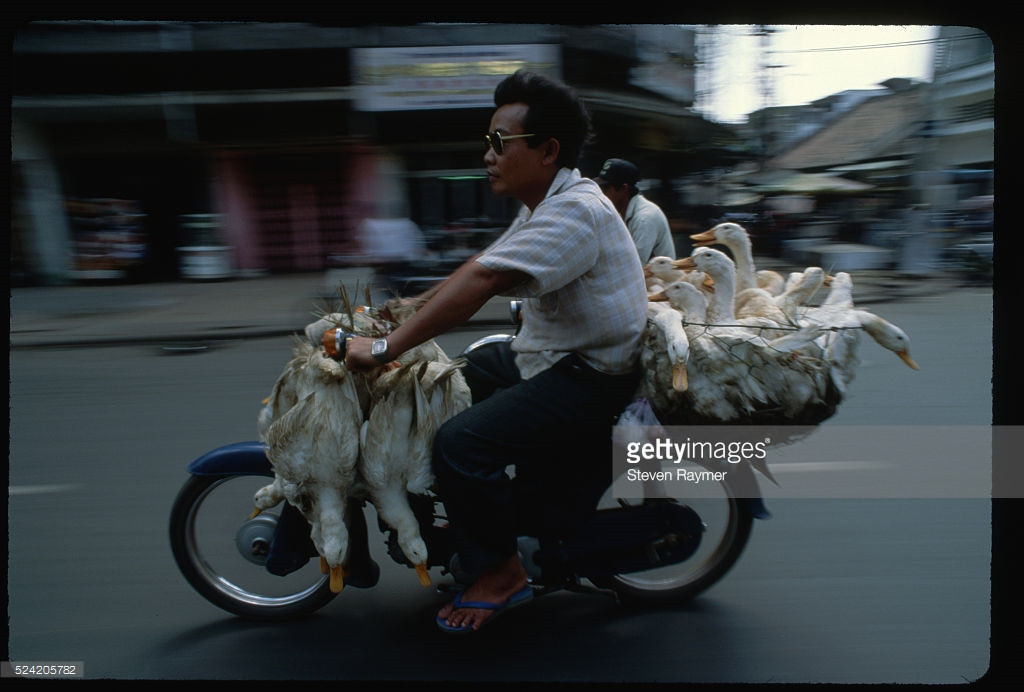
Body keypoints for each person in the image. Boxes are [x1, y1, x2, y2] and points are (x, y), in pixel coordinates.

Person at [340, 70, 648, 633]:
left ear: (547, 150)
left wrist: (385, 347)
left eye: (500, 142)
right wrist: (408, 307)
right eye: (489, 141)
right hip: (551, 352)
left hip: (590, 373)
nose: (487, 154)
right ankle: (479, 516)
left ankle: (502, 573)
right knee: (447, 381)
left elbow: (483, 282)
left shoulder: (576, 211)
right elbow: (483, 264)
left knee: (460, 444)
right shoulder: (544, 204)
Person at [593, 158, 675, 263]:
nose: (601, 193)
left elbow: (634, 264)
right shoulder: (620, 213)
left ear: (624, 188)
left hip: (658, 273)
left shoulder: (644, 218)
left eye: (606, 189)